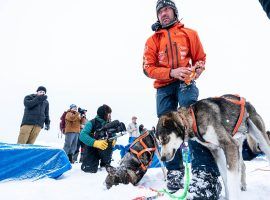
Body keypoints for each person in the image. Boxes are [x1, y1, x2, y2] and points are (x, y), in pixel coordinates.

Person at [143, 1, 221, 198]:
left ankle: (205, 174)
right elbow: (148, 68)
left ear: (175, 12)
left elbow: (200, 59)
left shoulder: (190, 34)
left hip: (186, 82)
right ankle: (175, 172)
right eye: (160, 11)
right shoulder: (152, 41)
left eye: (167, 9)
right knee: (166, 129)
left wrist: (195, 71)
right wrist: (171, 72)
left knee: (193, 123)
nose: (163, 13)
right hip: (164, 88)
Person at [80, 104, 115, 173]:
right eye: (108, 114)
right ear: (103, 114)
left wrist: (114, 140)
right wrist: (95, 143)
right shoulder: (92, 123)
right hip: (92, 148)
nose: (110, 116)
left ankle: (105, 163)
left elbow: (114, 134)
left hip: (104, 149)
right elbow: (82, 135)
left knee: (109, 141)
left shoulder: (109, 124)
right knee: (89, 169)